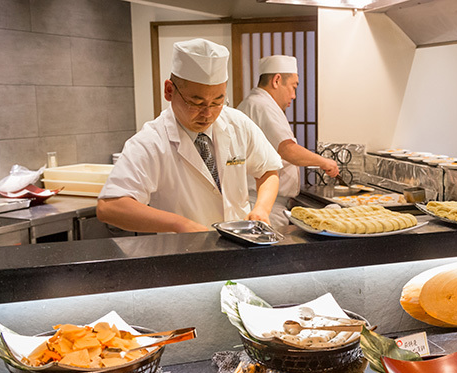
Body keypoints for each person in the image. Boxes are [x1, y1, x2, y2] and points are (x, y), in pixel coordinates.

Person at [97, 39, 282, 233]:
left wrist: (261, 208)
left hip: (237, 248)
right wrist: (180, 224)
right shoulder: (150, 142)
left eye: (217, 102)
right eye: (196, 103)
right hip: (182, 254)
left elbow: (268, 170)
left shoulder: (238, 124)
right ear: (169, 91)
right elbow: (110, 206)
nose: (208, 114)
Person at [237, 55, 339, 228]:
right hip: (264, 204)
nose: (293, 95)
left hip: (261, 202)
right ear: (277, 80)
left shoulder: (253, 103)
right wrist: (324, 162)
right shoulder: (262, 105)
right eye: (293, 86)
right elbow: (287, 150)